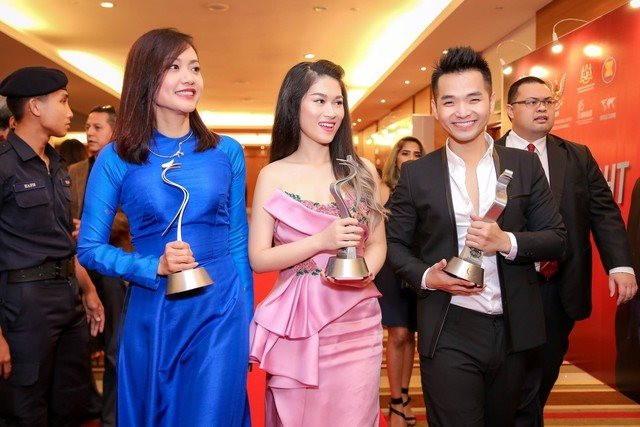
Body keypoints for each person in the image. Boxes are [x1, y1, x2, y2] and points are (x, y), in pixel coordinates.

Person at [77, 28, 253, 426]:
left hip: (220, 308)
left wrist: (247, 319)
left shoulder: (226, 152)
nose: (189, 78)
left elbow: (237, 242)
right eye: (174, 67)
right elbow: (88, 248)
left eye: (195, 68)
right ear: (145, 77)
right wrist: (151, 265)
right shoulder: (116, 158)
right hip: (155, 311)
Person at [385, 46, 567, 426]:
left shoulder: (524, 164)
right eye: (449, 101)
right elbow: (395, 245)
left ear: (492, 101)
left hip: (515, 327)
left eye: (473, 99)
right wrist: (428, 277)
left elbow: (556, 237)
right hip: (448, 324)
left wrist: (506, 242)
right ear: (435, 108)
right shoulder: (417, 175)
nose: (462, 111)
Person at [249, 59, 387, 426]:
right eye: (319, 101)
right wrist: (321, 241)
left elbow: (377, 243)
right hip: (300, 321)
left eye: (338, 102)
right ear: (294, 105)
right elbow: (259, 258)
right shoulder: (273, 174)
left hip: (358, 321)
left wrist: (363, 274)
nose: (331, 112)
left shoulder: (361, 170)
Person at [496, 75, 637, 424]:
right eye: (531, 102)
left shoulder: (576, 156)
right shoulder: (489, 156)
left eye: (548, 101)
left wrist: (620, 266)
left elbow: (603, 213)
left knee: (544, 373)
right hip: (506, 285)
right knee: (510, 378)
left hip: (558, 286)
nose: (542, 108)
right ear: (510, 110)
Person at [0, 66, 104, 426]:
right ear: (35, 107)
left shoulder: (58, 166)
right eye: (63, 101)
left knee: (72, 404)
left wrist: (89, 291)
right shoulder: (4, 166)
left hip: (68, 297)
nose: (70, 112)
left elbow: (63, 241)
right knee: (25, 410)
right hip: (23, 303)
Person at [69, 104, 128, 427]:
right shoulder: (74, 171)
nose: (89, 133)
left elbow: (130, 217)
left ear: (115, 132)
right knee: (79, 344)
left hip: (114, 267)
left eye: (97, 127)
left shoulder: (128, 166)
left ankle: (112, 418)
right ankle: (88, 407)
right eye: (87, 127)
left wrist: (93, 229)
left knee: (115, 347)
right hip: (77, 266)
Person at [377, 136, 424, 426]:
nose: (410, 158)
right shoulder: (383, 189)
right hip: (390, 269)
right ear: (396, 157)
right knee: (397, 334)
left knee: (410, 336)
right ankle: (395, 402)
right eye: (405, 153)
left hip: (416, 268)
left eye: (417, 154)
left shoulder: (426, 186)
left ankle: (404, 395)